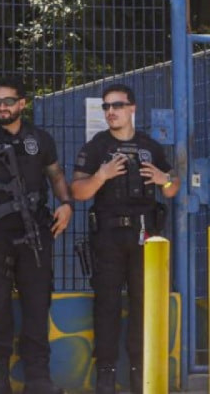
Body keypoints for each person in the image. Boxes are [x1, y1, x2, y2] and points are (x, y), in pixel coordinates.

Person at [0, 78, 73, 394]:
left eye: (8, 101)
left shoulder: (40, 139)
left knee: (37, 304)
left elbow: (57, 177)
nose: (2, 107)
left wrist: (66, 205)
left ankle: (38, 377)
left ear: (23, 103)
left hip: (35, 231)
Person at [72, 83, 178, 394]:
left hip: (145, 237)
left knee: (143, 305)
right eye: (106, 107)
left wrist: (165, 179)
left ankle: (139, 374)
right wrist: (101, 176)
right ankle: (105, 376)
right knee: (106, 305)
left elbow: (172, 187)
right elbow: (78, 192)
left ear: (132, 108)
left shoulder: (150, 146)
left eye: (116, 106)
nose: (111, 112)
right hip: (108, 237)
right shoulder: (96, 147)